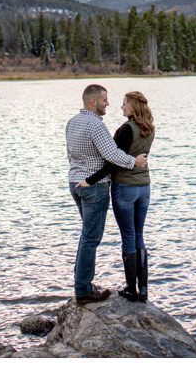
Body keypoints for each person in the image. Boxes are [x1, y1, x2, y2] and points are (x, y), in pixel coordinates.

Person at [64, 83, 147, 305]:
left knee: (86, 236)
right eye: (104, 100)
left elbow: (70, 155)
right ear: (93, 102)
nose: (107, 104)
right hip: (95, 186)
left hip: (75, 183)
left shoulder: (72, 122)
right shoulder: (96, 125)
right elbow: (112, 155)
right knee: (91, 238)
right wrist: (134, 162)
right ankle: (83, 290)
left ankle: (84, 284)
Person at [82, 91, 155, 302]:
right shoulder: (149, 127)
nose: (121, 107)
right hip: (144, 187)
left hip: (125, 187)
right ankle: (143, 290)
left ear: (133, 106)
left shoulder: (126, 129)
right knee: (139, 235)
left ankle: (131, 288)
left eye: (124, 104)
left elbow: (113, 161)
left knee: (129, 236)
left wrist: (90, 180)